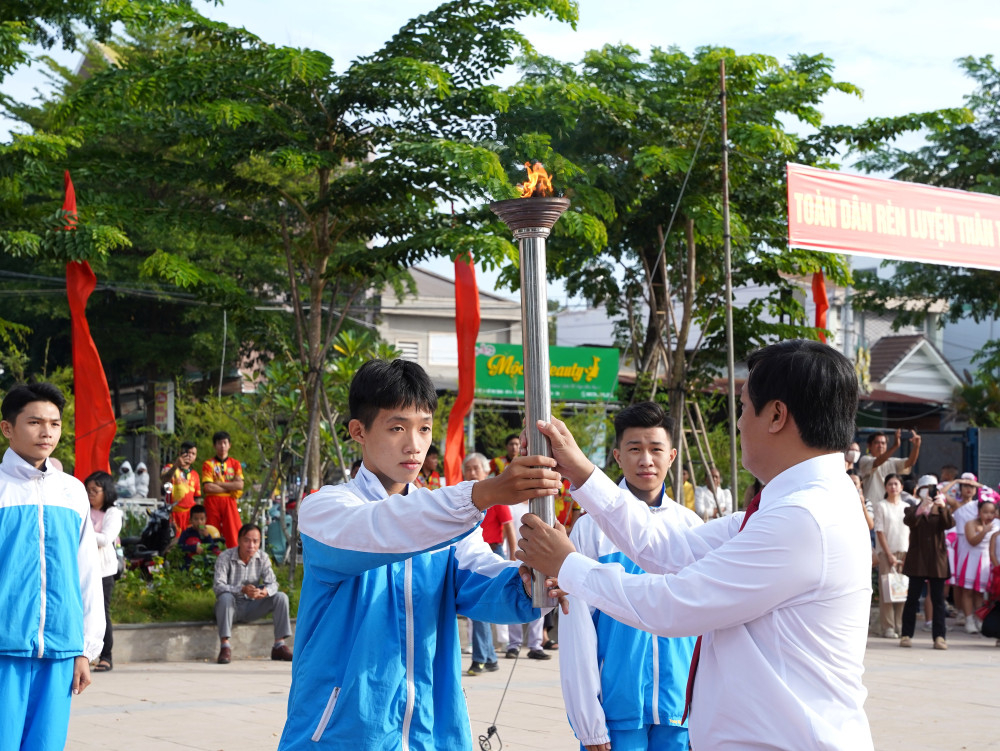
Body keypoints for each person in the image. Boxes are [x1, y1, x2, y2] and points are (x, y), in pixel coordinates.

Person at [515, 339, 875, 749]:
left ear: (776, 415)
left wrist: (570, 566)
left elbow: (674, 603)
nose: (738, 424)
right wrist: (580, 472)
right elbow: (666, 550)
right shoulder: (794, 505)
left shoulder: (803, 518)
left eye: (741, 408)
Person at [277, 359, 563, 750]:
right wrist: (483, 492)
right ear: (358, 431)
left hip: (432, 732)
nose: (414, 444)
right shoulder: (325, 511)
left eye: (424, 428)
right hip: (341, 736)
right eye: (397, 428)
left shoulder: (445, 523)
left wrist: (534, 579)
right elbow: (385, 529)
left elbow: (489, 583)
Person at [561, 402, 702, 751]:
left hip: (680, 713)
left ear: (671, 456)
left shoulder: (690, 527)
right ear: (617, 456)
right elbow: (576, 625)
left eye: (655, 449)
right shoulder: (590, 529)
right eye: (634, 449)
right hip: (617, 712)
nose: (646, 460)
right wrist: (588, 721)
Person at [0, 383, 103, 749]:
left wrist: (85, 649)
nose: (47, 432)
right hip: (4, 648)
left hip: (60, 649)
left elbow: (87, 573)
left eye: (55, 424)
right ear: (7, 428)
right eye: (34, 422)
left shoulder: (72, 490)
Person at [463, 452, 516, 676]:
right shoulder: (462, 496)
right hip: (469, 555)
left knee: (481, 607)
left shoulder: (496, 496)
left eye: (477, 468)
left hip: (494, 552)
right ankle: (489, 658)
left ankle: (480, 659)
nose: (473, 472)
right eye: (469, 468)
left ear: (486, 471)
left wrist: (514, 557)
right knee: (477, 608)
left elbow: (509, 528)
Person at [213, 523, 292, 664]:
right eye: (247, 540)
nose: (251, 545)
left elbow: (273, 583)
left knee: (281, 597)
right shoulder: (225, 557)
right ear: (239, 540)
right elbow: (218, 586)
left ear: (260, 542)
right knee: (225, 597)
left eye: (255, 541)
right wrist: (241, 589)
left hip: (253, 605)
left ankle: (279, 645)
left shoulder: (263, 557)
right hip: (231, 607)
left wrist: (263, 592)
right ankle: (225, 646)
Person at [899, 476, 954, 649]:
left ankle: (939, 637)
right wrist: (921, 508)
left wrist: (942, 507)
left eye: (931, 488)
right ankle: (906, 634)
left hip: (937, 561)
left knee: (938, 599)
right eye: (925, 488)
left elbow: (949, 524)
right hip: (917, 560)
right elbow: (909, 521)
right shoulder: (912, 509)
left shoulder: (942, 509)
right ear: (918, 491)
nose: (928, 491)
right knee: (912, 598)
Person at [85, 470, 124, 672]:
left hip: (103, 570)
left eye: (95, 490)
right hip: (82, 568)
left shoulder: (113, 513)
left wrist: (83, 532)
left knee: (102, 612)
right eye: (88, 490)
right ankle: (85, 654)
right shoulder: (83, 509)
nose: (90, 494)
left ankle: (106, 656)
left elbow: (106, 538)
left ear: (106, 491)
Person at [873, 474, 909, 638]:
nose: (893, 487)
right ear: (886, 487)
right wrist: (888, 554)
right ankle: (887, 626)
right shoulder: (881, 506)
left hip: (905, 551)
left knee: (902, 589)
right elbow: (879, 531)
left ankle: (900, 624)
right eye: (890, 484)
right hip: (886, 551)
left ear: (901, 487)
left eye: (896, 484)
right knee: (887, 590)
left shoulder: (907, 506)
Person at [948, 472, 985, 628]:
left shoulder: (980, 506)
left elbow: (995, 497)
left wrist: (979, 485)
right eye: (965, 486)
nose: (969, 489)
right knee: (958, 582)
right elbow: (939, 493)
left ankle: (977, 615)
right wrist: (955, 480)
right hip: (959, 543)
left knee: (977, 585)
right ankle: (961, 612)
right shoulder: (956, 504)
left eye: (971, 486)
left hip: (977, 544)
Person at [956, 497, 999, 633]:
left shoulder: (997, 524)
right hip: (970, 559)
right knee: (967, 590)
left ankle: (979, 619)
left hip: (986, 561)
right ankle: (968, 619)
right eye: (985, 512)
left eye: (992, 512)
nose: (989, 515)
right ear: (979, 511)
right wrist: (984, 531)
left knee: (980, 592)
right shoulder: (970, 523)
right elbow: (973, 541)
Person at [857, 428, 920, 509]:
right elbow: (877, 462)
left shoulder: (892, 461)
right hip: (872, 507)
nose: (880, 445)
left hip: (890, 507)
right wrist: (895, 446)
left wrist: (916, 446)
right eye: (877, 443)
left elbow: (910, 462)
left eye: (883, 443)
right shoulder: (865, 460)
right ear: (869, 446)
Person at [201, 431, 245, 549]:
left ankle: (235, 561)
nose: (222, 446)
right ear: (214, 445)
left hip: (229, 502)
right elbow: (208, 487)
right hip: (212, 502)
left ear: (229, 445)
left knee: (233, 532)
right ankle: (210, 559)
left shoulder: (235, 464)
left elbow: (240, 486)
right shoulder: (208, 464)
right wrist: (231, 485)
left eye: (225, 443)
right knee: (210, 531)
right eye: (219, 443)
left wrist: (219, 484)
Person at [161, 441, 201, 536]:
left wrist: (199, 516)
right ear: (180, 453)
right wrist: (176, 466)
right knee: (173, 541)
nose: (190, 456)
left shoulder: (195, 474)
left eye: (193, 454)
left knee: (191, 540)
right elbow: (164, 481)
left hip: (189, 516)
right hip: (173, 513)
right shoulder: (169, 467)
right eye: (188, 453)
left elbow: (197, 498)